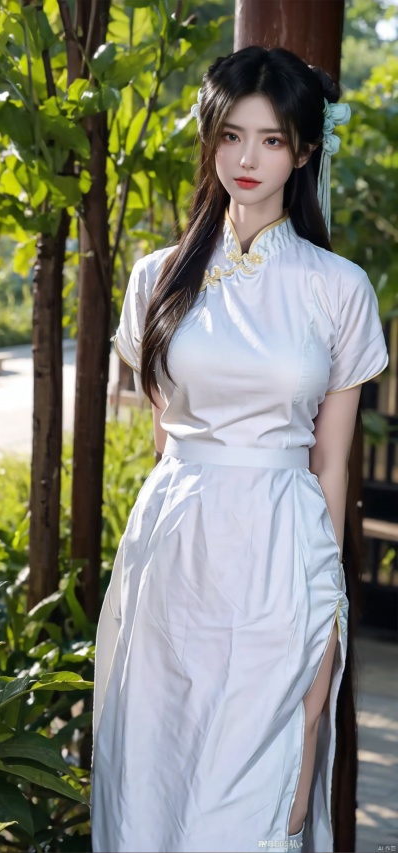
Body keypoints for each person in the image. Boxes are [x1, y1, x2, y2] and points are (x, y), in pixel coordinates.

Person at [90, 45, 389, 853]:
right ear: (209, 140)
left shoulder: (339, 288)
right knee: (152, 778)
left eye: (271, 139)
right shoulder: (157, 277)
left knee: (252, 801)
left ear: (305, 150)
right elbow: (164, 439)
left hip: (279, 557)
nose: (247, 159)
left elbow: (330, 466)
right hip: (173, 553)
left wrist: (323, 641)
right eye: (230, 136)